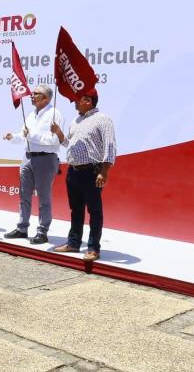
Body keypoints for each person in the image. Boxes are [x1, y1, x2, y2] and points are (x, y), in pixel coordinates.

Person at [50, 88, 116, 261]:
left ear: (88, 100)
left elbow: (110, 147)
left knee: (94, 211)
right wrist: (58, 134)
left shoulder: (102, 120)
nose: (75, 104)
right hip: (73, 171)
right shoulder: (76, 120)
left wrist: (104, 172)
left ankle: (93, 248)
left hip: (91, 172)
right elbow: (69, 145)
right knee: (76, 209)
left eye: (78, 100)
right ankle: (73, 243)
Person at [2, 85, 64, 244]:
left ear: (46, 98)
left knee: (43, 197)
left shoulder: (55, 114)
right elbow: (24, 136)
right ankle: (22, 228)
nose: (32, 95)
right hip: (27, 158)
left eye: (36, 94)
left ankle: (42, 231)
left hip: (46, 159)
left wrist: (32, 135)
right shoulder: (31, 115)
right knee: (24, 195)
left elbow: (54, 141)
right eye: (33, 93)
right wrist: (13, 137)